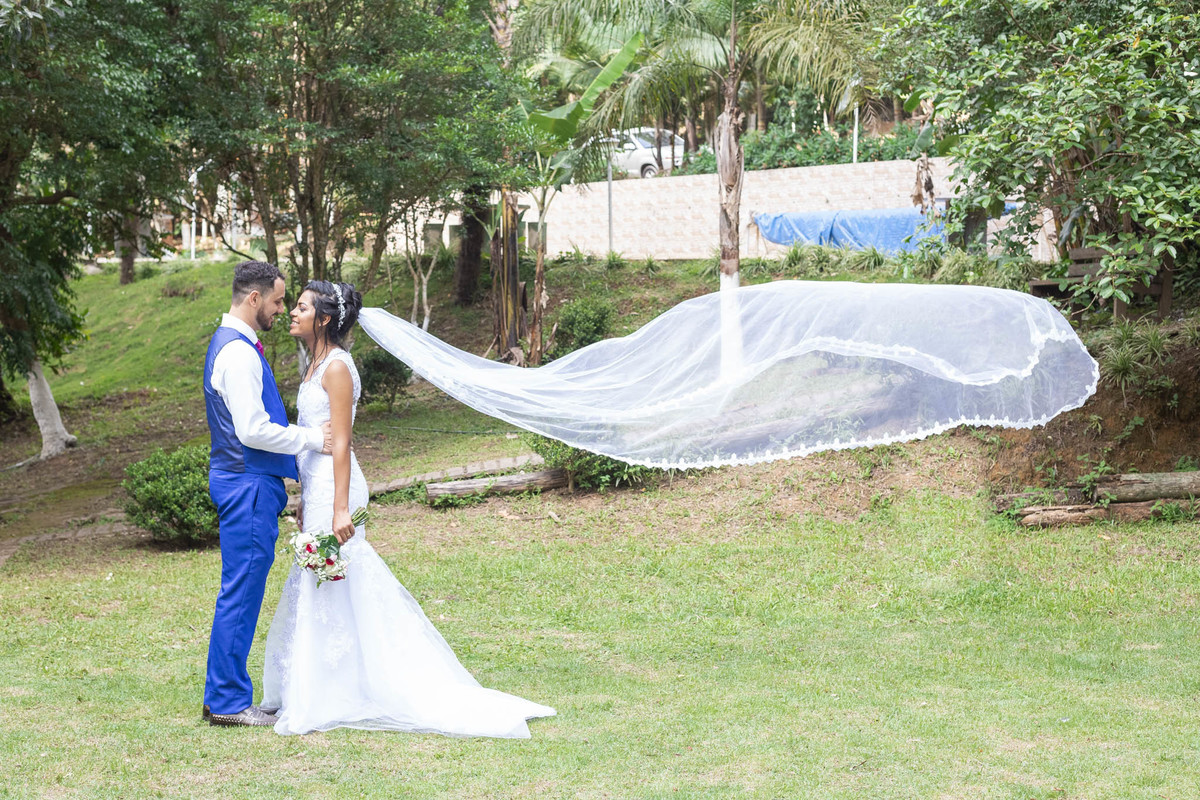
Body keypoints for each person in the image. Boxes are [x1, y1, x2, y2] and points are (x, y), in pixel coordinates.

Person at [261, 280, 555, 737]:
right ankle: (329, 685)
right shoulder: (314, 362)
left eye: (301, 308)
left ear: (323, 319)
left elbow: (341, 443)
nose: (293, 314)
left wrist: (339, 508)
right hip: (318, 487)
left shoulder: (336, 368)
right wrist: (304, 497)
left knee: (335, 575)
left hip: (337, 488)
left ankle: (344, 689)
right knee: (323, 579)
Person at [201, 261, 333, 728]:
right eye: (278, 300)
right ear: (253, 299)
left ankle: (223, 694)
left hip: (245, 481)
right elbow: (253, 431)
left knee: (241, 588)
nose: (281, 309)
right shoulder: (237, 354)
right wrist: (313, 439)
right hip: (247, 484)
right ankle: (227, 702)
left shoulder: (235, 346)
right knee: (241, 591)